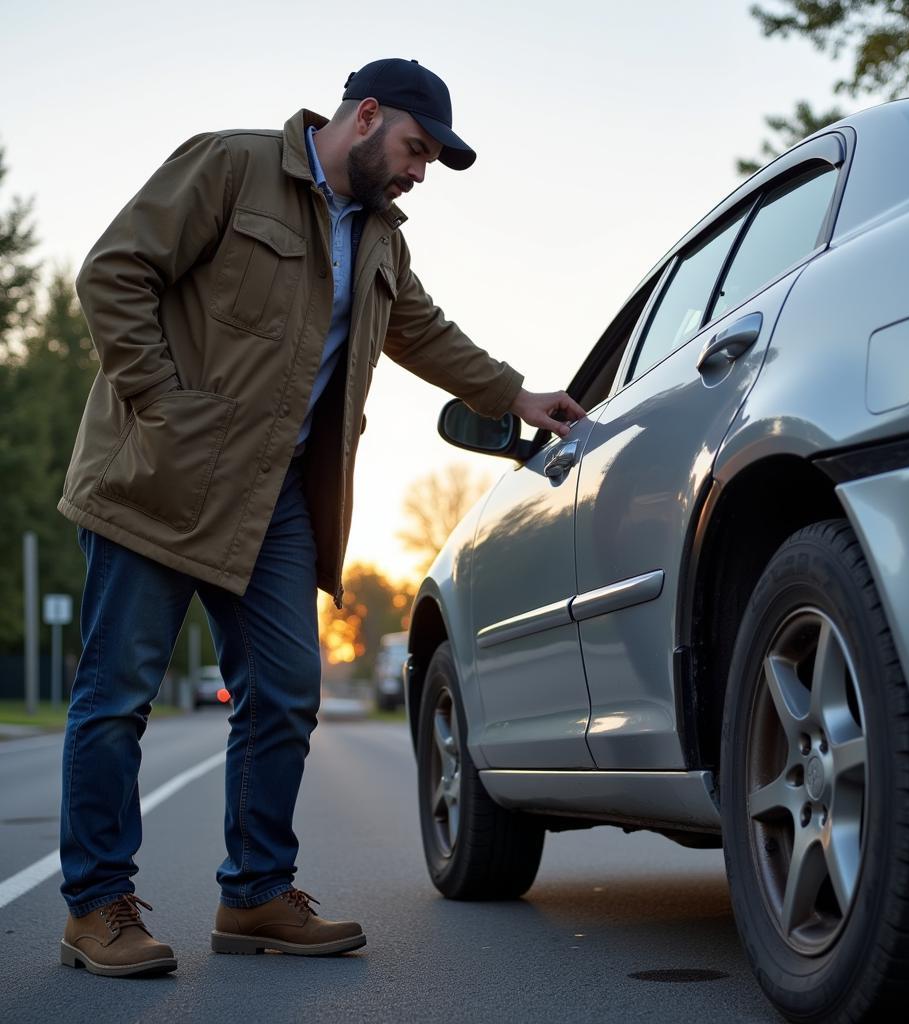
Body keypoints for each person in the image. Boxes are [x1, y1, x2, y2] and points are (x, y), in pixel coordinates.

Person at [57, 57, 585, 978]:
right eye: (416, 149)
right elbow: (113, 273)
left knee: (287, 693)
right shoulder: (230, 165)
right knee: (116, 700)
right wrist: (167, 407)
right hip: (156, 482)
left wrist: (517, 395)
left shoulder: (381, 239)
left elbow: (423, 331)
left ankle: (256, 893)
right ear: (366, 116)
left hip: (276, 501)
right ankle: (96, 908)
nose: (420, 172)